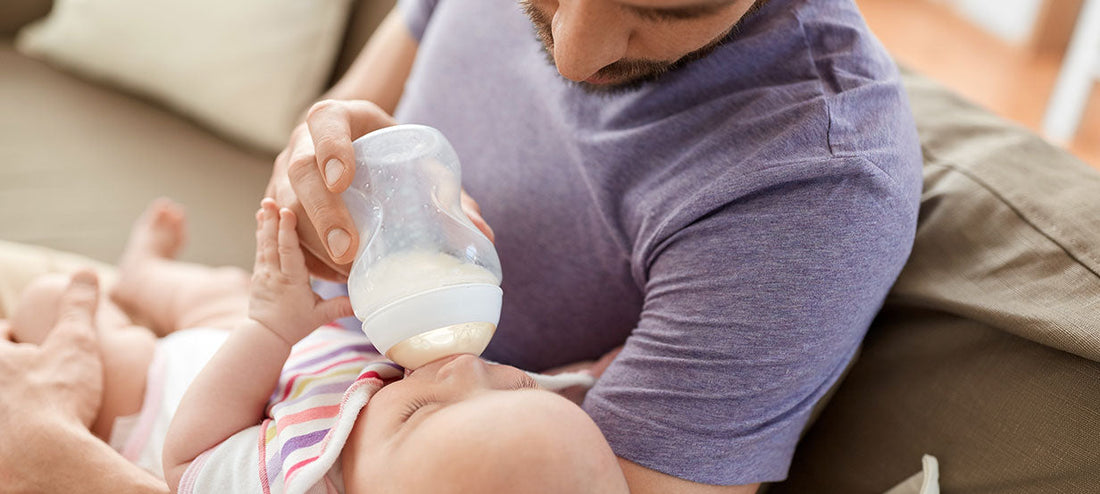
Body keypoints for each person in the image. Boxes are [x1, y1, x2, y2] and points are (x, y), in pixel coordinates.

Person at [268, 0, 924, 492]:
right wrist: (316, 195)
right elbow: (323, 137)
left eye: (665, 7)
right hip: (288, 371)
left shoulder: (812, 186)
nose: (574, 54)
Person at [4, 199, 628, 493]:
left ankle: (113, 308)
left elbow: (188, 458)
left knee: (55, 302)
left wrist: (274, 330)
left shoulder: (287, 483)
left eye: (419, 411)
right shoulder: (505, 433)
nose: (463, 369)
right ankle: (142, 275)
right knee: (219, 291)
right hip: (288, 356)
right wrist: (594, 376)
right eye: (508, 382)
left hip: (164, 391)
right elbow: (557, 400)